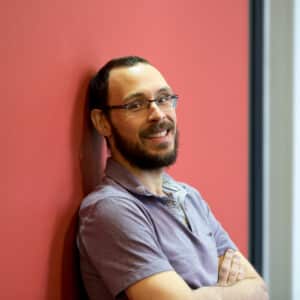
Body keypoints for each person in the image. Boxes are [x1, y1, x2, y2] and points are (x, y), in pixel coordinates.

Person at [77, 56, 268, 300]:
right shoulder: (110, 208)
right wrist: (228, 290)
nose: (157, 114)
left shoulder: (190, 198)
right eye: (135, 105)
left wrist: (200, 294)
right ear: (102, 122)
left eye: (164, 99)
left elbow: (259, 290)